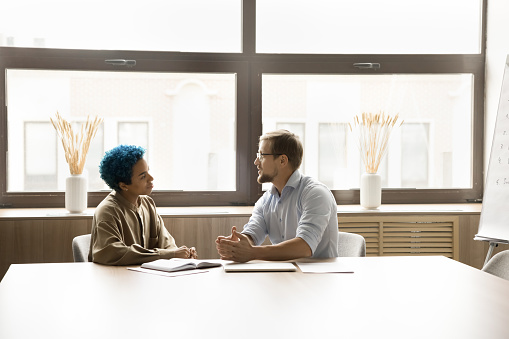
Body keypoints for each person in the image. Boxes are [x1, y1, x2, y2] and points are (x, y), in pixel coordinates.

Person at [216, 130, 338, 262]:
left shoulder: (315, 194)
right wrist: (239, 243)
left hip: (319, 277)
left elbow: (305, 246)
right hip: (283, 274)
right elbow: (253, 232)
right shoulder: (265, 201)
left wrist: (252, 252)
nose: (256, 161)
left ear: (282, 160)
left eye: (262, 155)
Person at [89, 144, 197, 265]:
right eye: (143, 176)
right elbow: (114, 253)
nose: (151, 178)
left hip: (146, 278)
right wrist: (170, 254)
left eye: (148, 171)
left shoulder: (147, 203)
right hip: (117, 280)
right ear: (123, 185)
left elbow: (167, 243)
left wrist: (182, 254)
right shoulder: (107, 211)